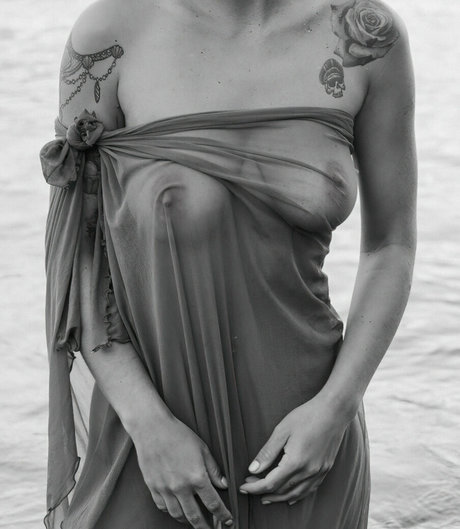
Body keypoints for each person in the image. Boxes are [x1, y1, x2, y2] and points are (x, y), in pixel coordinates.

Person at [39, 0, 417, 528]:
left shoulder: (368, 37)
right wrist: (148, 426)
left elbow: (390, 246)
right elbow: (79, 257)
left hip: (305, 445)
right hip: (152, 445)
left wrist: (336, 407)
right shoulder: (112, 32)